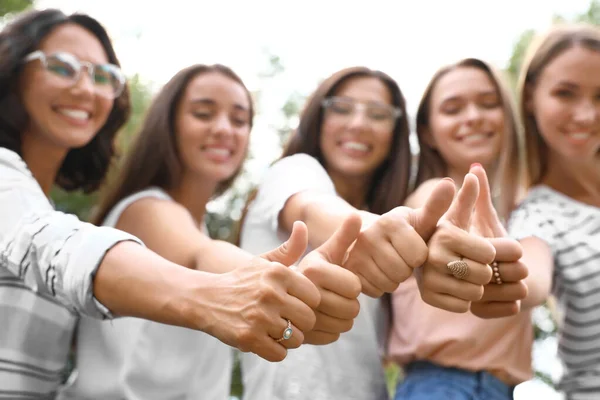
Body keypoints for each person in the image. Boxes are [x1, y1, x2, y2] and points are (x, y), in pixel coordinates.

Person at [0, 9, 356, 397]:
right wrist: (260, 285)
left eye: (103, 76)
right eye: (64, 67)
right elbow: (203, 256)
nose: (86, 88)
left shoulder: (46, 208)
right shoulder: (145, 210)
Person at [238, 66, 490, 400]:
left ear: (395, 133)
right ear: (319, 119)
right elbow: (314, 209)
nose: (358, 123)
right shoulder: (295, 171)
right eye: (342, 108)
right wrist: (384, 234)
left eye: (378, 114)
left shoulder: (390, 214)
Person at [388, 58, 531, 400]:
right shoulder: (430, 196)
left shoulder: (522, 209)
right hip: (440, 387)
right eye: (453, 109)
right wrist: (458, 260)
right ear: (427, 132)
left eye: (488, 103)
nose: (473, 117)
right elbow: (435, 227)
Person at [507, 24, 600, 399]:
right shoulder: (537, 215)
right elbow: (526, 279)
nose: (586, 115)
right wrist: (475, 269)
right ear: (531, 97)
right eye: (565, 93)